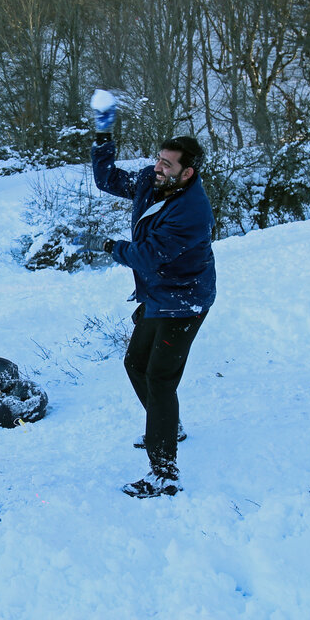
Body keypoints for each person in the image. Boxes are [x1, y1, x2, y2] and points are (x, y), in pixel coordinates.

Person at [90, 94, 217, 499]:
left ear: (187, 172)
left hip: (184, 301)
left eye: (167, 164)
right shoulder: (152, 182)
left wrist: (109, 246)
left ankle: (165, 473)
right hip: (158, 295)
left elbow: (147, 256)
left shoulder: (192, 211)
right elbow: (108, 179)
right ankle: (167, 424)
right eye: (158, 159)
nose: (157, 167)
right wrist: (103, 133)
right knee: (135, 363)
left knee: (160, 380)